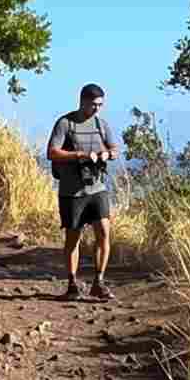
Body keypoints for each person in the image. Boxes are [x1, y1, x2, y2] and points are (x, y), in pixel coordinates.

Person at [47, 83, 118, 301]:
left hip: (97, 188)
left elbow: (114, 149)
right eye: (94, 104)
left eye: (101, 105)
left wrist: (107, 155)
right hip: (72, 191)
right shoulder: (65, 123)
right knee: (73, 237)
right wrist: (79, 155)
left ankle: (99, 282)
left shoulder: (101, 125)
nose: (97, 108)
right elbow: (52, 152)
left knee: (104, 233)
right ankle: (72, 284)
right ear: (83, 101)